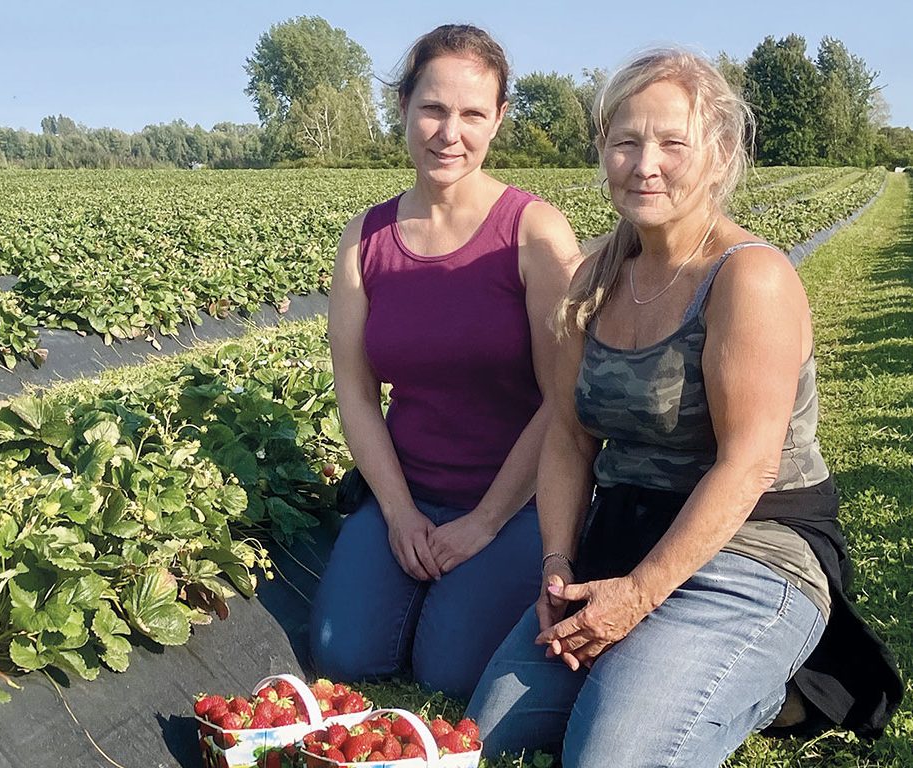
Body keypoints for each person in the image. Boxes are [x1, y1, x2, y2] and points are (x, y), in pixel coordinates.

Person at [468, 47, 902, 766]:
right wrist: (558, 563)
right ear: (603, 149)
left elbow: (749, 463)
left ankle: (786, 682)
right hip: (625, 538)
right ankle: (665, 671)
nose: (646, 164)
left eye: (674, 142)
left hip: (752, 552)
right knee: (488, 737)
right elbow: (569, 438)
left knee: (609, 756)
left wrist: (638, 597)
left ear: (721, 153)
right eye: (626, 141)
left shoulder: (747, 278)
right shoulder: (594, 276)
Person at [308, 24, 579, 701]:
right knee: (343, 654)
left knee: (450, 673)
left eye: (471, 114)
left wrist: (485, 521)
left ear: (499, 119)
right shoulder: (365, 239)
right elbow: (356, 393)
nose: (448, 132)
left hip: (516, 503)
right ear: (402, 106)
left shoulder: (533, 232)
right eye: (432, 108)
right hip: (409, 488)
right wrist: (398, 512)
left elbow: (564, 399)